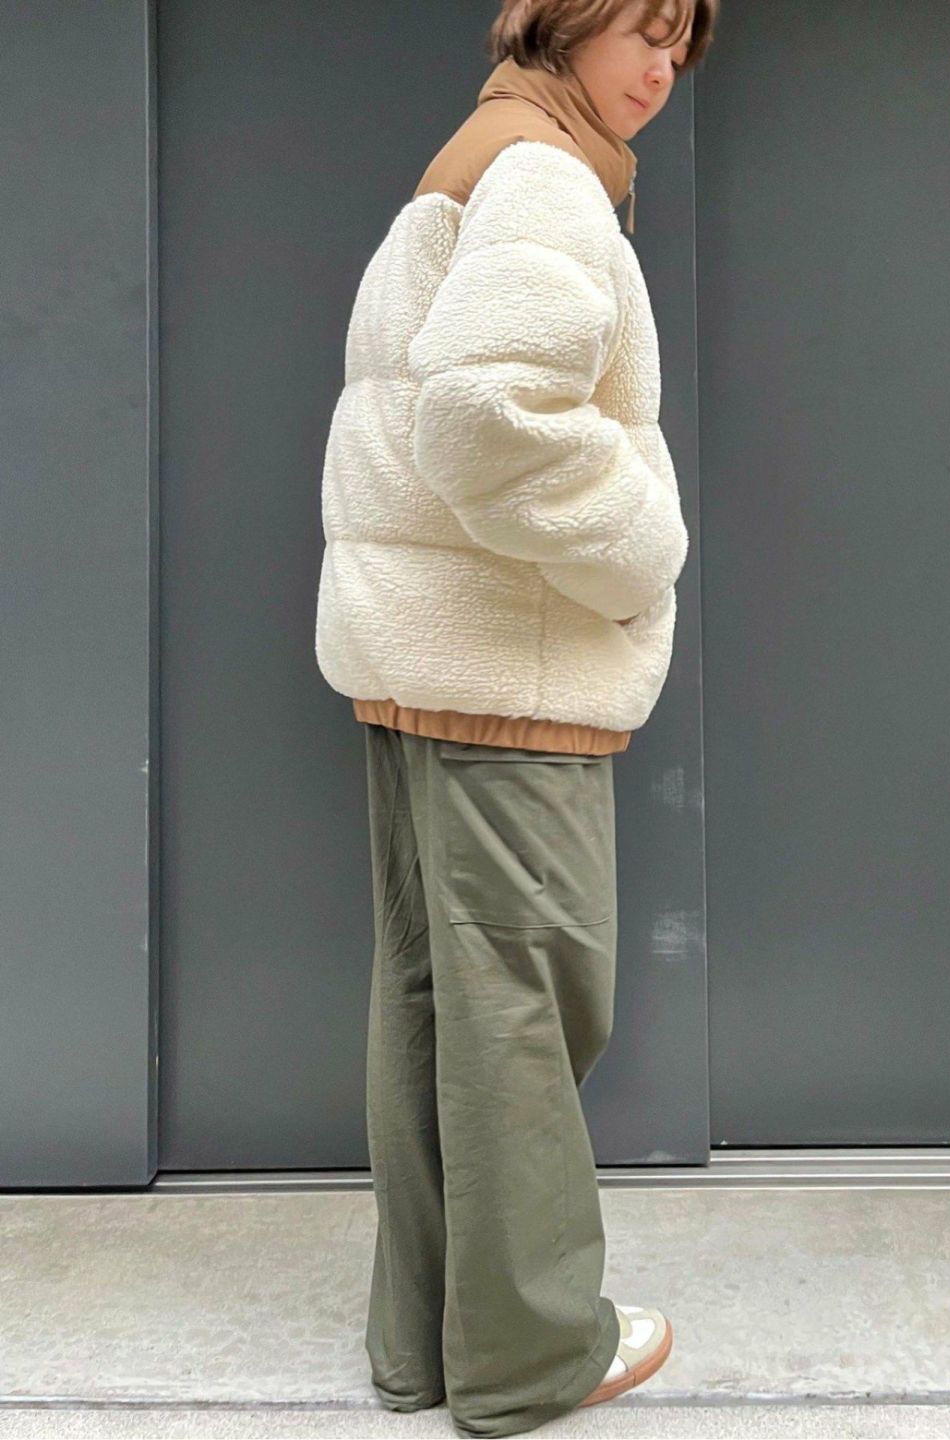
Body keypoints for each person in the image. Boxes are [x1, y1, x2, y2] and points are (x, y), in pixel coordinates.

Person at [314, 1, 718, 1434]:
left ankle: (433, 1345)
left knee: (443, 1006)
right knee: (524, 1014)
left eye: (683, 41)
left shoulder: (477, 159)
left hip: (428, 665)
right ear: (563, 19)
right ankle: (533, 1355)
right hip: (505, 673)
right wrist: (642, 549)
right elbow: (487, 416)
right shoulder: (544, 175)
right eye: (643, 29)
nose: (661, 67)